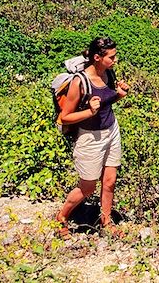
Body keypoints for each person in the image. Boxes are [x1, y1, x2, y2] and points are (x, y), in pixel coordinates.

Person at [55, 36, 130, 238]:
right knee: (88, 187)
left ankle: (106, 221)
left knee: (110, 181)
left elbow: (106, 102)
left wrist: (119, 95)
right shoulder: (80, 82)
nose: (115, 61)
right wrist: (89, 112)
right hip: (90, 138)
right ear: (97, 57)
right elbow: (65, 117)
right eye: (111, 57)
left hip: (111, 131)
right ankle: (61, 217)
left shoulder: (108, 73)